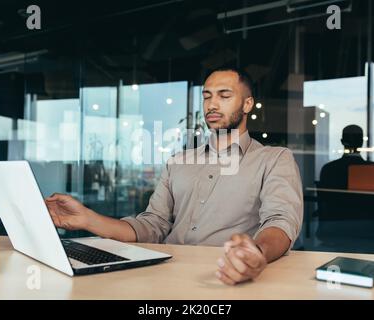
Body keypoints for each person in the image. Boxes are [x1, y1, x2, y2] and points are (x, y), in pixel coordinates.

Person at [46, 68, 303, 285]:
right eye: (207, 96)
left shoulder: (274, 159)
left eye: (224, 95)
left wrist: (255, 253)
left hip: (227, 278)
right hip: (164, 275)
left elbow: (280, 222)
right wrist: (87, 219)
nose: (212, 105)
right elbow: (153, 225)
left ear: (247, 104)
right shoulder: (178, 161)